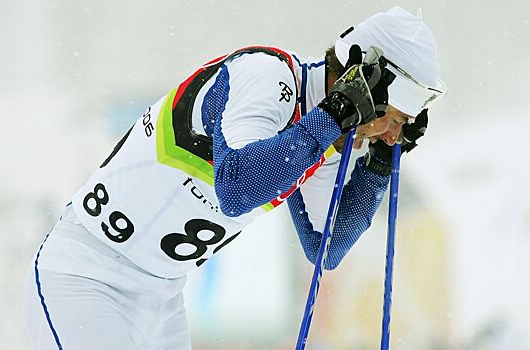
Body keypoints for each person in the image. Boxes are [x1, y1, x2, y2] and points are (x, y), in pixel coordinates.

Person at [24, 6, 445, 350]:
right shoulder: (266, 75)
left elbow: (325, 249)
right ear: (363, 80)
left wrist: (375, 166)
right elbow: (236, 187)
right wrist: (329, 121)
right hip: (86, 276)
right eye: (393, 119)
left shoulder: (323, 135)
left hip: (161, 299)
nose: (392, 134)